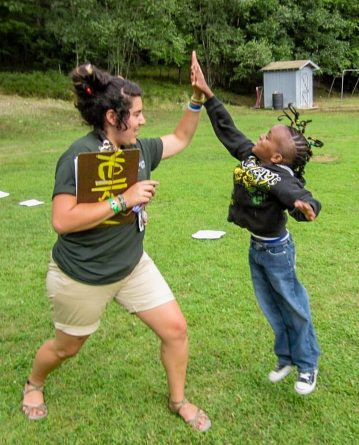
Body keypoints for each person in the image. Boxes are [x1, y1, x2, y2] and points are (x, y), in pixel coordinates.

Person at [22, 53, 211, 432]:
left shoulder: (139, 150)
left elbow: (179, 138)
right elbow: (62, 220)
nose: (143, 120)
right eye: (137, 113)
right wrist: (123, 199)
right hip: (83, 274)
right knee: (66, 348)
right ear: (113, 117)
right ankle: (34, 384)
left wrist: (196, 99)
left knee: (175, 329)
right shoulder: (79, 155)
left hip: (131, 265)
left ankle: (178, 400)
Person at [191, 52, 321, 395]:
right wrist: (208, 96)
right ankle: (286, 358)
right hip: (256, 248)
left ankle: (307, 365)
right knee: (271, 306)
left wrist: (305, 206)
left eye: (266, 137)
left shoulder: (280, 176)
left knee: (293, 304)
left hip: (277, 250)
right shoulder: (251, 156)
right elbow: (228, 131)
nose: (259, 137)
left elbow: (300, 195)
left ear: (277, 157)